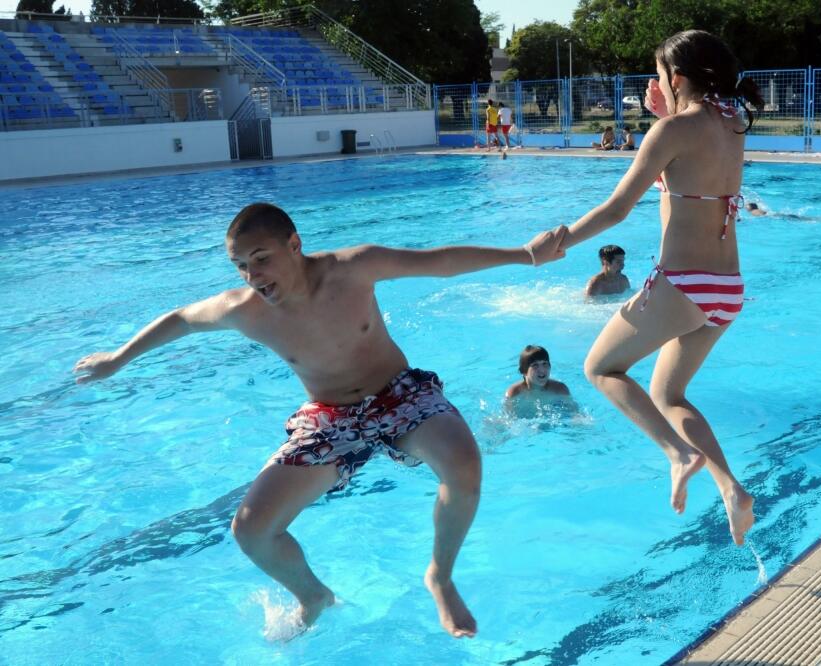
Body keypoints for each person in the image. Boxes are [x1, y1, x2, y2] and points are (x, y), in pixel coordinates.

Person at [73, 203, 566, 638]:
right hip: (329, 418)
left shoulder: (353, 269)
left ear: (294, 245)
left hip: (397, 394)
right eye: (240, 266)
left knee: (464, 467)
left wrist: (525, 254)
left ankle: (440, 574)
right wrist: (118, 359)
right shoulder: (243, 310)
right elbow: (180, 319)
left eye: (261, 259)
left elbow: (437, 262)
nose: (252, 275)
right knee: (251, 530)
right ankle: (314, 596)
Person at [536, 30, 760, 546]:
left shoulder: (672, 131)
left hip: (683, 284)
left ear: (676, 78)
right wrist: (666, 113)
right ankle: (731, 488)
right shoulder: (733, 124)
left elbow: (617, 209)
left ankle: (678, 455)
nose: (655, 86)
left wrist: (563, 240)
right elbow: (691, 169)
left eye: (660, 77)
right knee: (667, 393)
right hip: (727, 287)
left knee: (599, 368)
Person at [504, 345, 575, 416]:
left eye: (545, 364)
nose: (542, 370)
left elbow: (575, 414)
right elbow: (508, 419)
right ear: (524, 371)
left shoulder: (560, 389)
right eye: (535, 365)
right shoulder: (515, 393)